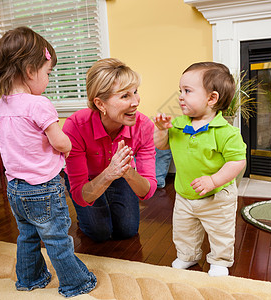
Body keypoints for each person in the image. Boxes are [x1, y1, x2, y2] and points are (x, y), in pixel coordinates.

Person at [0, 26, 96, 297]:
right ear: (29, 71)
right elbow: (59, 141)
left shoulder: (0, 105)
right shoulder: (38, 104)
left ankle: (30, 279)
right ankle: (76, 282)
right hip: (43, 188)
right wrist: (68, 145)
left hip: (15, 187)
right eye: (48, 73)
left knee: (27, 235)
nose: (48, 80)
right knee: (56, 238)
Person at [154, 62, 247, 277]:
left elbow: (237, 162)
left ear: (212, 98)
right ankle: (188, 256)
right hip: (185, 194)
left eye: (187, 91)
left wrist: (213, 180)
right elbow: (162, 145)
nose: (180, 96)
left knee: (220, 231)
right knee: (184, 230)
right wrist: (160, 130)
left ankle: (220, 260)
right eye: (180, 91)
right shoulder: (177, 124)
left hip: (217, 197)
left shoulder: (227, 132)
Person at [62, 58, 157, 243]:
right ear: (100, 104)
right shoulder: (76, 126)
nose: (136, 102)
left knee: (127, 230)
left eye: (135, 92)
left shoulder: (144, 126)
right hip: (88, 180)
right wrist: (108, 174)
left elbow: (148, 190)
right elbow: (80, 195)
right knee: (99, 233)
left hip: (122, 175)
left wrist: (127, 171)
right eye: (124, 96)